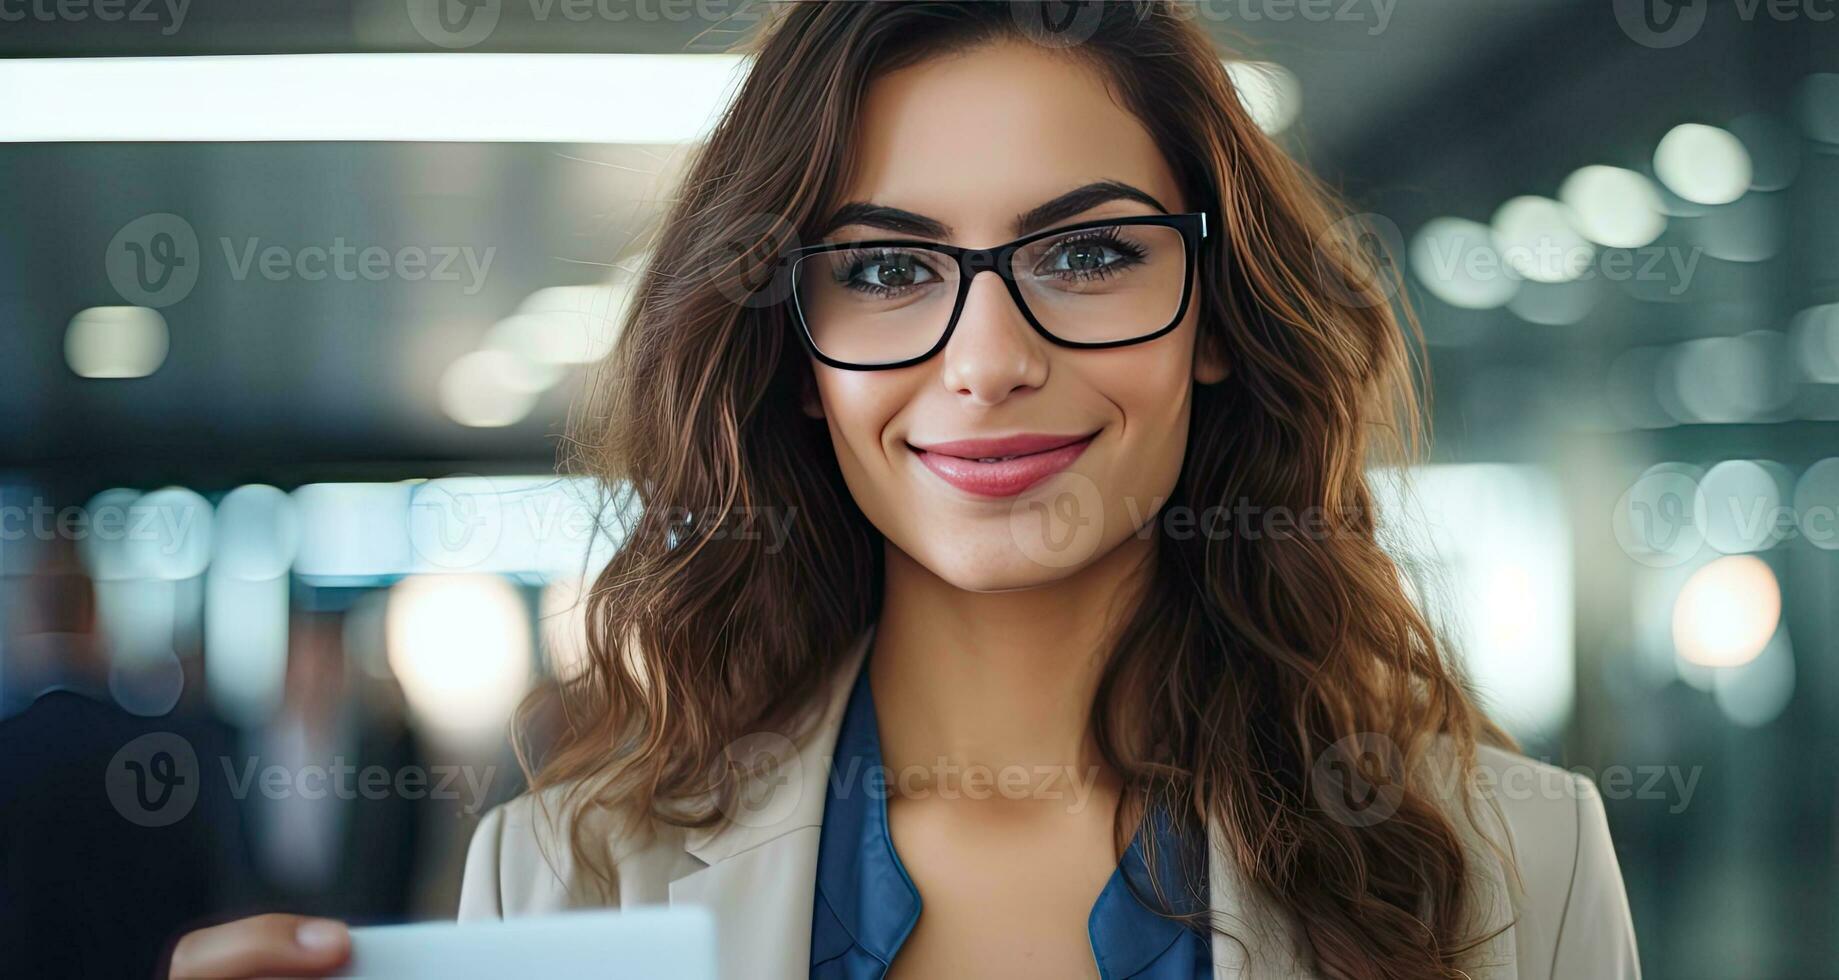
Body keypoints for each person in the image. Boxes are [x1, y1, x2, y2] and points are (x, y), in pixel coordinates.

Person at [168, 3, 1638, 978]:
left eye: (1087, 253)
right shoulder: (565, 880)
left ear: (1214, 321)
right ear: (796, 356)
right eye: (883, 270)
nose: (988, 360)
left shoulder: (1525, 866)